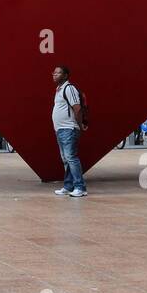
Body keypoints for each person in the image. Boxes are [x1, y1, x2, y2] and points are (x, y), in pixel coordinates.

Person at [51, 66, 87, 198]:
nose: (54, 74)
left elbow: (77, 108)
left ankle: (80, 187)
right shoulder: (58, 90)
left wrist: (79, 125)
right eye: (54, 72)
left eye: (58, 72)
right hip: (61, 129)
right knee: (66, 159)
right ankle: (68, 186)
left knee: (71, 158)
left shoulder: (69, 88)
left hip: (69, 128)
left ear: (66, 75)